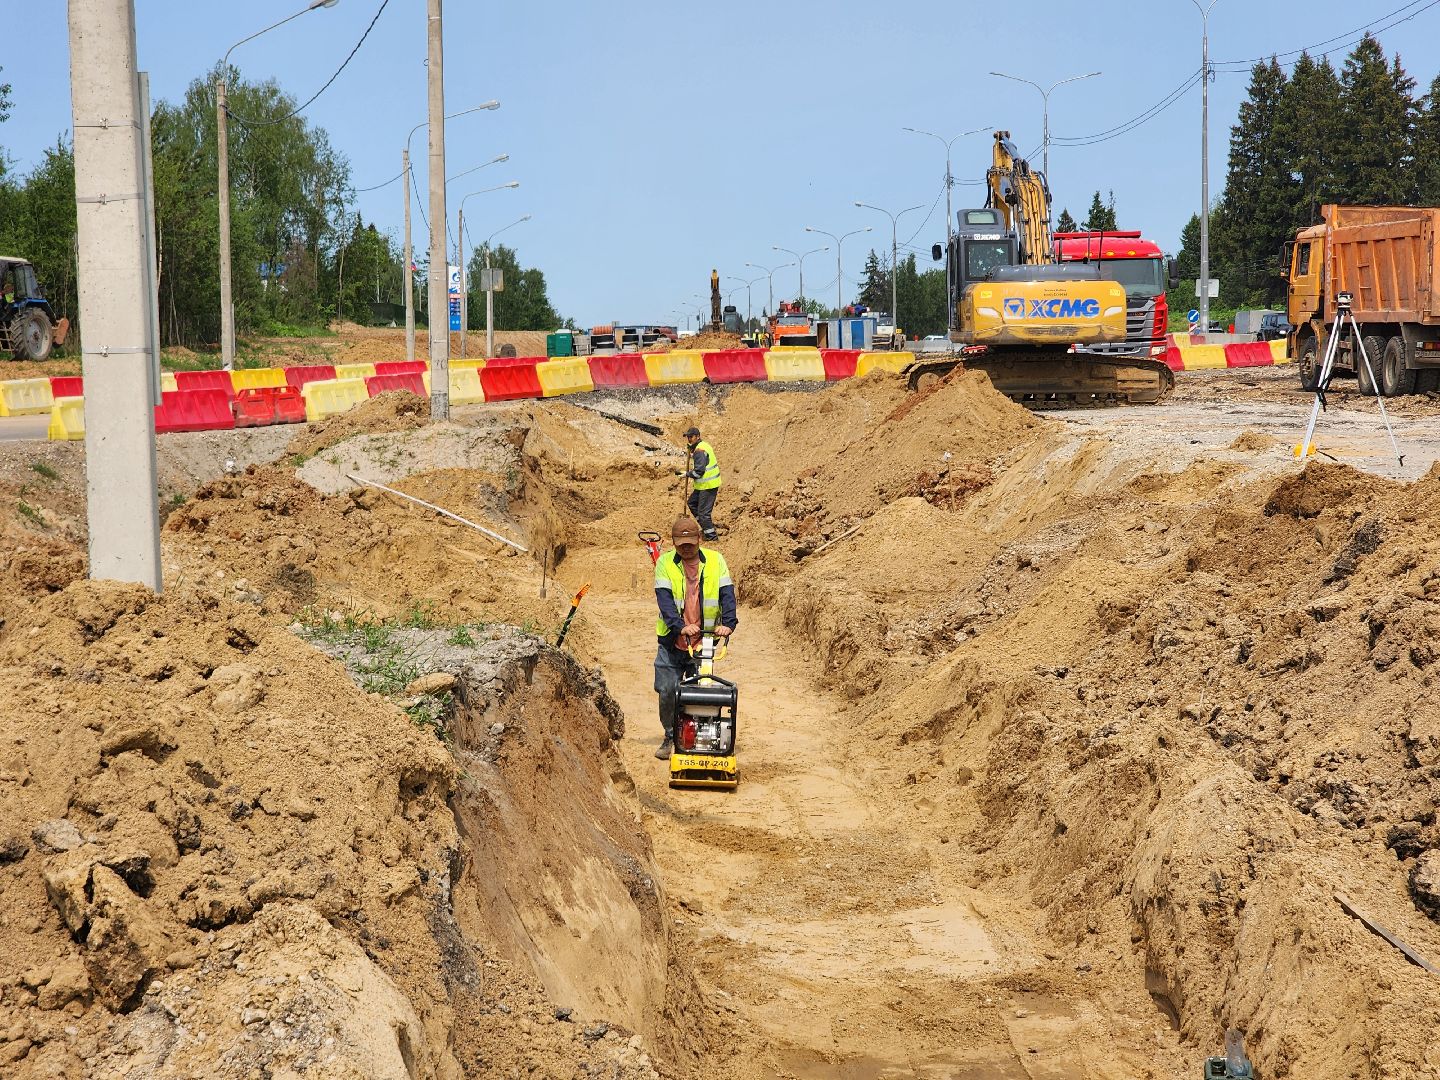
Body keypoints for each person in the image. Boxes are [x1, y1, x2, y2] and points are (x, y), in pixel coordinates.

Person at [652, 515, 737, 760]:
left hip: (705, 641)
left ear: (699, 539)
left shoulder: (716, 561)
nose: (686, 547)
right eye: (681, 543)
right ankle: (670, 735)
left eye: (691, 542)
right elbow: (665, 601)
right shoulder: (665, 563)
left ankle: (703, 737)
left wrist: (728, 624)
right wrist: (680, 626)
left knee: (703, 692)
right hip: (672, 640)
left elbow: (726, 594)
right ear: (674, 543)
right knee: (668, 690)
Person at [678, 426, 722, 541]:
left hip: (708, 485)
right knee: (692, 503)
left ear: (698, 437)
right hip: (703, 485)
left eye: (691, 437)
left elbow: (699, 472)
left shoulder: (699, 450)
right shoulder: (702, 446)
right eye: (688, 437)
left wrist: (686, 474)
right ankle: (705, 527)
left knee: (703, 514)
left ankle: (712, 537)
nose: (689, 439)